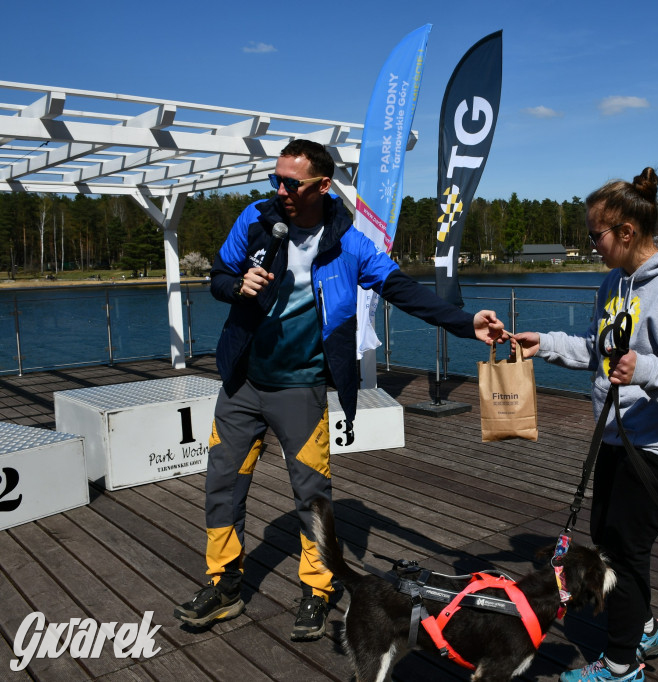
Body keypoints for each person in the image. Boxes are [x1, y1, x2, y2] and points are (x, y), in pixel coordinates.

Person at [173, 139, 506, 641]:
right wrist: (235, 285)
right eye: (275, 179)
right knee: (223, 484)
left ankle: (318, 588)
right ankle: (224, 585)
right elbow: (218, 275)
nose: (279, 189)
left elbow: (401, 290)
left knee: (311, 495)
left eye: (291, 182)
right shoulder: (256, 219)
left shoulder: (349, 242)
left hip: (301, 389)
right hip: (242, 382)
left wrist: (464, 323)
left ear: (322, 185)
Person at [512, 168, 658, 682]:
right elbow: (598, 349)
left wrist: (648, 370)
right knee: (607, 541)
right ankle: (645, 626)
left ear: (627, 233)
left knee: (622, 556)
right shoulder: (615, 282)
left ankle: (620, 665)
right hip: (620, 435)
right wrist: (543, 344)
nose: (591, 246)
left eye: (596, 236)